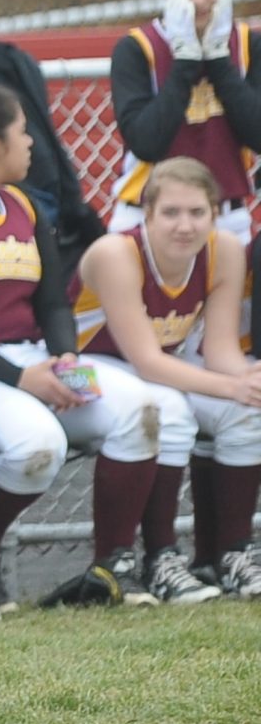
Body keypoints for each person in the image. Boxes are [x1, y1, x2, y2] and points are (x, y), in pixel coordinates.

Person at [0, 82, 166, 607]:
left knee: (139, 410)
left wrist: (65, 356)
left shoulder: (24, 206)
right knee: (38, 445)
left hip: (27, 358)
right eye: (22, 131)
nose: (31, 142)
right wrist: (23, 379)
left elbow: (51, 302)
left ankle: (109, 570)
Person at [72, 157, 261, 601]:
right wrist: (233, 385)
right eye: (171, 213)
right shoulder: (115, 251)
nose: (185, 225)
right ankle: (161, 558)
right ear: (147, 214)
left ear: (215, 214)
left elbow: (219, 352)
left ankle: (231, 555)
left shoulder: (224, 250)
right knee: (169, 407)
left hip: (145, 370)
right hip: (75, 368)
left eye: (198, 213)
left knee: (246, 410)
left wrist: (249, 381)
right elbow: (147, 361)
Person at [108, 0, 261, 239]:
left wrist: (218, 59)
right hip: (146, 213)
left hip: (225, 214)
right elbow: (147, 141)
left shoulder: (249, 44)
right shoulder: (138, 47)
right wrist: (186, 60)